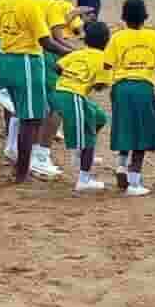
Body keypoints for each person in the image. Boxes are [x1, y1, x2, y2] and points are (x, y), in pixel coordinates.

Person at [0, 0, 73, 185]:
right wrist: (71, 54)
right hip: (26, 62)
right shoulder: (30, 4)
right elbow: (46, 41)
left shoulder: (6, 1)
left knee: (26, 115)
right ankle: (21, 173)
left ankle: (19, 164)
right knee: (31, 119)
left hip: (7, 59)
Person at [103, 0, 155, 196]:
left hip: (121, 87)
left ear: (124, 17)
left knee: (125, 126)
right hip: (143, 87)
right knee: (142, 134)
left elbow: (107, 64)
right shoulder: (154, 37)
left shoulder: (117, 37)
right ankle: (135, 181)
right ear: (145, 16)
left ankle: (121, 165)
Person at [52, 21, 114, 193]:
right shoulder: (104, 59)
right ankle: (84, 178)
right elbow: (101, 86)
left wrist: (72, 77)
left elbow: (57, 66)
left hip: (61, 91)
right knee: (89, 138)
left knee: (100, 117)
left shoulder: (79, 53)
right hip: (73, 95)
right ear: (107, 41)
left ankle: (81, 152)